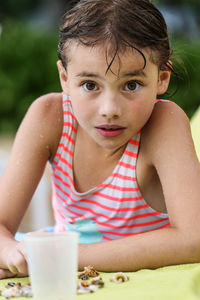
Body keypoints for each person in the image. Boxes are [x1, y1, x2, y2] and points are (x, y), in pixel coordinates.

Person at [0, 0, 200, 279]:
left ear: (162, 78)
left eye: (131, 85)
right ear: (65, 78)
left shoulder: (163, 124)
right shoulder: (50, 117)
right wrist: (12, 253)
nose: (109, 109)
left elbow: (193, 239)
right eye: (90, 85)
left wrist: (56, 257)